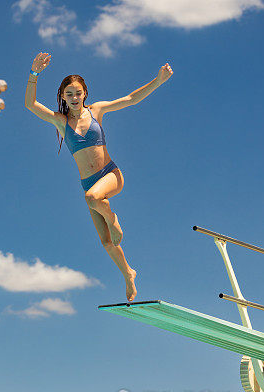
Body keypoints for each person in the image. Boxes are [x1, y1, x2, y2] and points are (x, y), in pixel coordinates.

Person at [24, 53, 173, 302]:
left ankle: (113, 218)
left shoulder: (97, 111)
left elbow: (130, 99)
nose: (74, 98)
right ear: (62, 96)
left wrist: (158, 80)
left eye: (78, 93)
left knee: (92, 197)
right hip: (88, 183)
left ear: (85, 94)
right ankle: (128, 274)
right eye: (69, 94)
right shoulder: (60, 122)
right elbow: (30, 104)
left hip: (110, 175)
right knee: (106, 242)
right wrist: (34, 74)